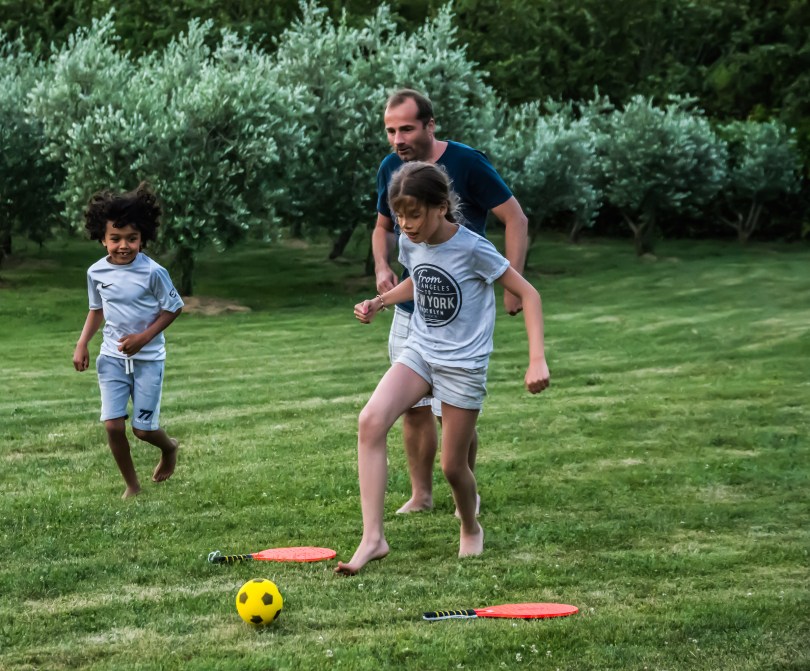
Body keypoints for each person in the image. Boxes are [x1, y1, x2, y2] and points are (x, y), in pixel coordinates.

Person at [336, 162, 549, 575]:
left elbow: (529, 294)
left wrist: (536, 359)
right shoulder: (409, 242)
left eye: (414, 214)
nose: (405, 224)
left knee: (453, 466)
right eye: (399, 215)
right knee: (371, 421)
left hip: (462, 364)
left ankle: (470, 526)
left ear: (441, 207)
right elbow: (418, 279)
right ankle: (373, 538)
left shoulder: (473, 248)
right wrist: (380, 302)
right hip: (421, 350)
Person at [372, 88, 530, 514]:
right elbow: (382, 228)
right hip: (412, 306)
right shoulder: (390, 168)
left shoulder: (466, 163)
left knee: (452, 411)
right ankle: (421, 495)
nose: (398, 139)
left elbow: (515, 218)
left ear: (430, 125)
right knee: (412, 406)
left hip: (458, 309)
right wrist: (382, 268)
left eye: (406, 129)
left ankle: (465, 494)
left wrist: (513, 284)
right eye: (390, 131)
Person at [73, 182, 184, 499]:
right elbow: (96, 310)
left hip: (149, 360)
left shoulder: (153, 272)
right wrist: (82, 343)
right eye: (115, 238)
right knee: (112, 425)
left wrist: (143, 338)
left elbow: (173, 307)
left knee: (143, 430)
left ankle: (169, 448)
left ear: (142, 238)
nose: (124, 245)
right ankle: (132, 485)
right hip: (111, 357)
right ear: (102, 238)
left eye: (132, 238)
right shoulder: (96, 273)